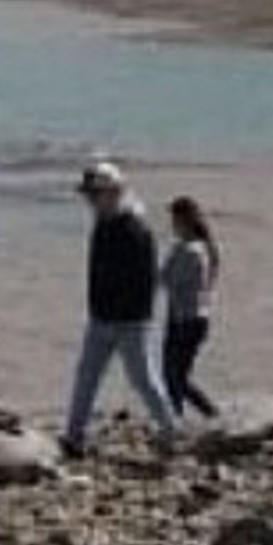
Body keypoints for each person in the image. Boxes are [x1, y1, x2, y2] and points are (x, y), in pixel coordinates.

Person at [64, 158, 181, 457]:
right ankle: (74, 436)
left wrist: (133, 314)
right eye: (88, 195)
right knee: (86, 376)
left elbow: (146, 279)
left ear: (113, 192)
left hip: (129, 321)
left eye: (94, 195)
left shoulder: (135, 229)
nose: (90, 201)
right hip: (101, 316)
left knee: (143, 379)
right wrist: (97, 306)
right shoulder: (103, 223)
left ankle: (170, 431)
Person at [159, 194, 221, 421]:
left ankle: (203, 415)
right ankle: (181, 417)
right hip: (185, 317)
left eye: (174, 220)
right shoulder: (195, 248)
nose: (172, 225)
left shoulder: (191, 251)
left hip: (187, 320)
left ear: (184, 220)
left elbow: (166, 279)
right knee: (174, 376)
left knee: (175, 377)